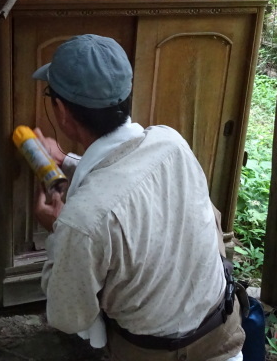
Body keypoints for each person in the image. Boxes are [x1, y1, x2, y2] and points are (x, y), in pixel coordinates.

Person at [32, 34, 245, 361]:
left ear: (61, 111)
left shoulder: (82, 222)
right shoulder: (173, 144)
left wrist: (59, 233)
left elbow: (68, 316)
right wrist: (66, 161)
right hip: (224, 338)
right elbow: (129, 177)